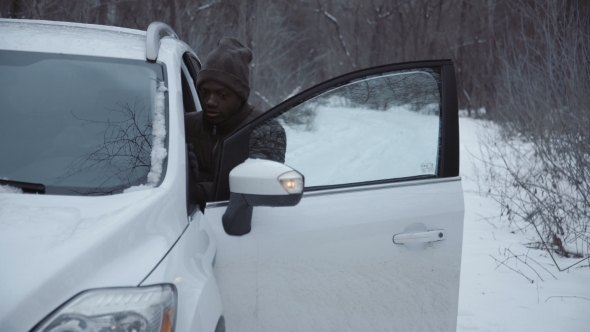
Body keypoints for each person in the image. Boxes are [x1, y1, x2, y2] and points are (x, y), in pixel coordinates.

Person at [185, 37, 285, 206]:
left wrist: (192, 190)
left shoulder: (266, 131)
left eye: (222, 95)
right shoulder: (183, 126)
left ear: (240, 96)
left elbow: (257, 190)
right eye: (205, 92)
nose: (210, 101)